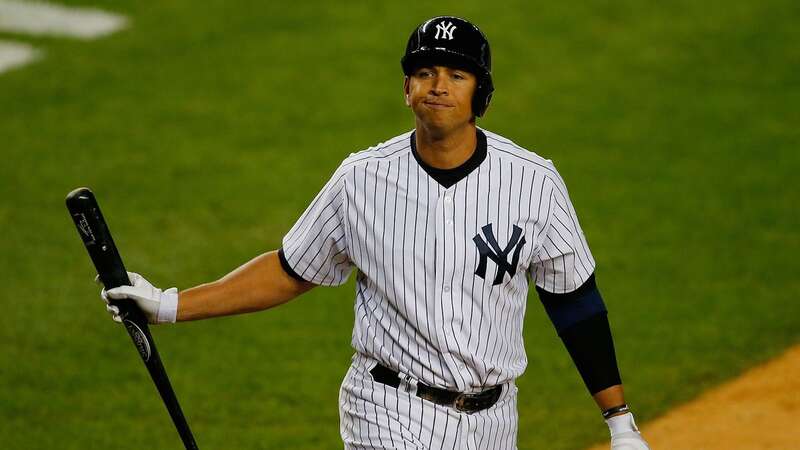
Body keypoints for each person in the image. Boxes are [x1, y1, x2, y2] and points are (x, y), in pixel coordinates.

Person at [100, 16, 650, 450]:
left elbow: (574, 302)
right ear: (407, 88)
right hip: (388, 409)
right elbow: (291, 270)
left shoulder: (534, 182)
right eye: (425, 72)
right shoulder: (361, 179)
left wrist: (619, 423)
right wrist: (169, 305)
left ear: (480, 93)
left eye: (456, 75)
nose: (439, 86)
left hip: (493, 421)